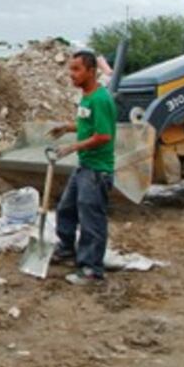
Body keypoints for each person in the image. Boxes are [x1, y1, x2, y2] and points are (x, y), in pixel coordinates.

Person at [48, 50, 117, 285]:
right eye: (70, 69)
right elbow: (86, 123)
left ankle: (91, 268)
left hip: (97, 170)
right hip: (85, 166)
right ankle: (67, 248)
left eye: (77, 69)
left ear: (91, 71)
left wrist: (73, 147)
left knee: (92, 219)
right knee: (66, 208)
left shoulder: (100, 98)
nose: (71, 74)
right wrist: (67, 128)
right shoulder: (86, 97)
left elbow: (104, 135)